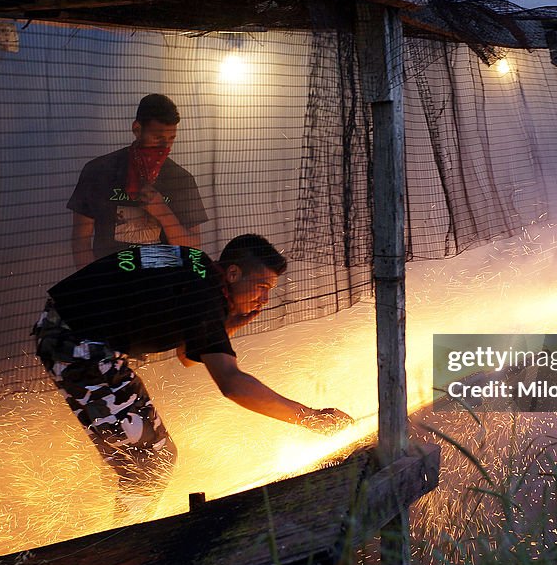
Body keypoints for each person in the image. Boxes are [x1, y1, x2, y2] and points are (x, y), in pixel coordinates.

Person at [32, 234, 352, 512]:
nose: (265, 299)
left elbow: (186, 355)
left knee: (139, 462)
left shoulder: (196, 264)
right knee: (153, 462)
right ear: (233, 272)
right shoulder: (205, 295)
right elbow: (232, 384)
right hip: (78, 344)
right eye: (261, 287)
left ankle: (120, 530)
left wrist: (233, 322)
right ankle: (129, 545)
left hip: (65, 331)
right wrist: (312, 418)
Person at [68, 94, 208, 268]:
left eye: (171, 139)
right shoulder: (98, 171)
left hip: (163, 283)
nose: (166, 148)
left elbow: (193, 249)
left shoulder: (181, 179)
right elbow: (80, 241)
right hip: (112, 279)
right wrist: (95, 286)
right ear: (137, 129)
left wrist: (163, 212)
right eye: (158, 138)